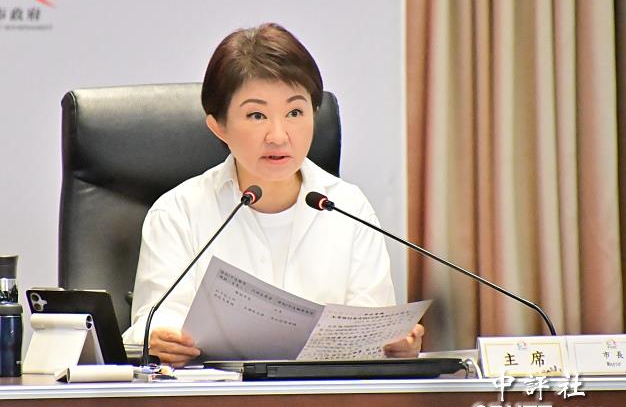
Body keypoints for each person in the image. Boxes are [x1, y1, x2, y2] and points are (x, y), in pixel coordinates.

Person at [121, 23, 424, 366]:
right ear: (218, 126)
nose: (278, 136)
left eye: (295, 112)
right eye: (257, 115)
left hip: (324, 395)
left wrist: (393, 345)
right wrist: (158, 340)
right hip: (214, 394)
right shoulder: (178, 213)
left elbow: (372, 330)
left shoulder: (349, 208)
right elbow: (153, 326)